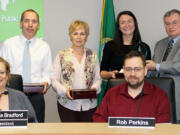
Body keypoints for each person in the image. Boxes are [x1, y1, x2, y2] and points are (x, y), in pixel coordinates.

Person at [0, 9, 52, 122]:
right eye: (26, 21)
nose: (30, 24)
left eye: (34, 21)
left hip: (36, 96)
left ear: (38, 25)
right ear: (20, 23)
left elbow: (48, 72)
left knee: (37, 128)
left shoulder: (44, 47)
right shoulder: (8, 45)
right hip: (12, 95)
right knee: (12, 127)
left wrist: (46, 82)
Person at [93, 51, 170, 123]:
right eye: (128, 69)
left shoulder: (160, 96)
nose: (132, 74)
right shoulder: (111, 94)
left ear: (145, 70)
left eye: (137, 69)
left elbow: (162, 128)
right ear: (124, 71)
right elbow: (98, 120)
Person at [52, 20, 101, 122]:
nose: (79, 37)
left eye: (82, 34)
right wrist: (65, 91)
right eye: (75, 33)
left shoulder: (93, 55)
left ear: (86, 36)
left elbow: (98, 79)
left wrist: (94, 89)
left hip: (89, 105)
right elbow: (54, 80)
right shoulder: (61, 55)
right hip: (67, 105)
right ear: (70, 36)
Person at [146, 9, 180, 123]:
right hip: (158, 98)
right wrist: (145, 69)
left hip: (177, 97)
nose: (171, 26)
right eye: (167, 23)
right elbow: (154, 67)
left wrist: (157, 66)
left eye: (175, 22)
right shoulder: (160, 44)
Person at [100, 11, 151, 79]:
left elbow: (146, 71)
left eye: (129, 21)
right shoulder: (110, 45)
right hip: (116, 85)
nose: (127, 25)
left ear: (135, 24)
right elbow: (102, 72)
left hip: (137, 86)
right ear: (119, 27)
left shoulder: (144, 47)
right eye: (123, 22)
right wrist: (111, 74)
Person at [0, 57, 37, 122]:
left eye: (2, 72)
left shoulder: (20, 97)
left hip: (17, 132)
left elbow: (34, 123)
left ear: (7, 76)